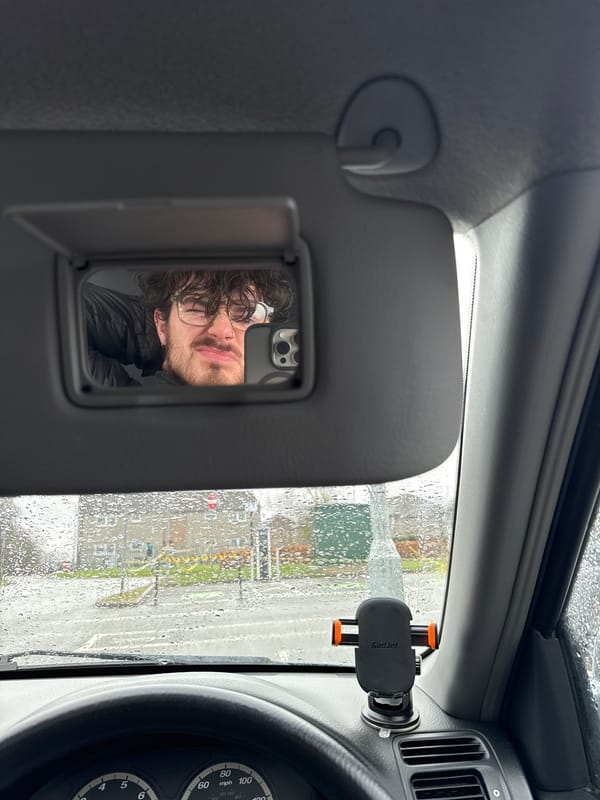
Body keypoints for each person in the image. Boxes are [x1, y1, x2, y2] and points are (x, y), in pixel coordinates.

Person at [85, 268, 293, 387]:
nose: (221, 330)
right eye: (197, 308)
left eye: (246, 316)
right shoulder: (116, 413)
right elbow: (67, 304)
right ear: (160, 325)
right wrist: (172, 338)